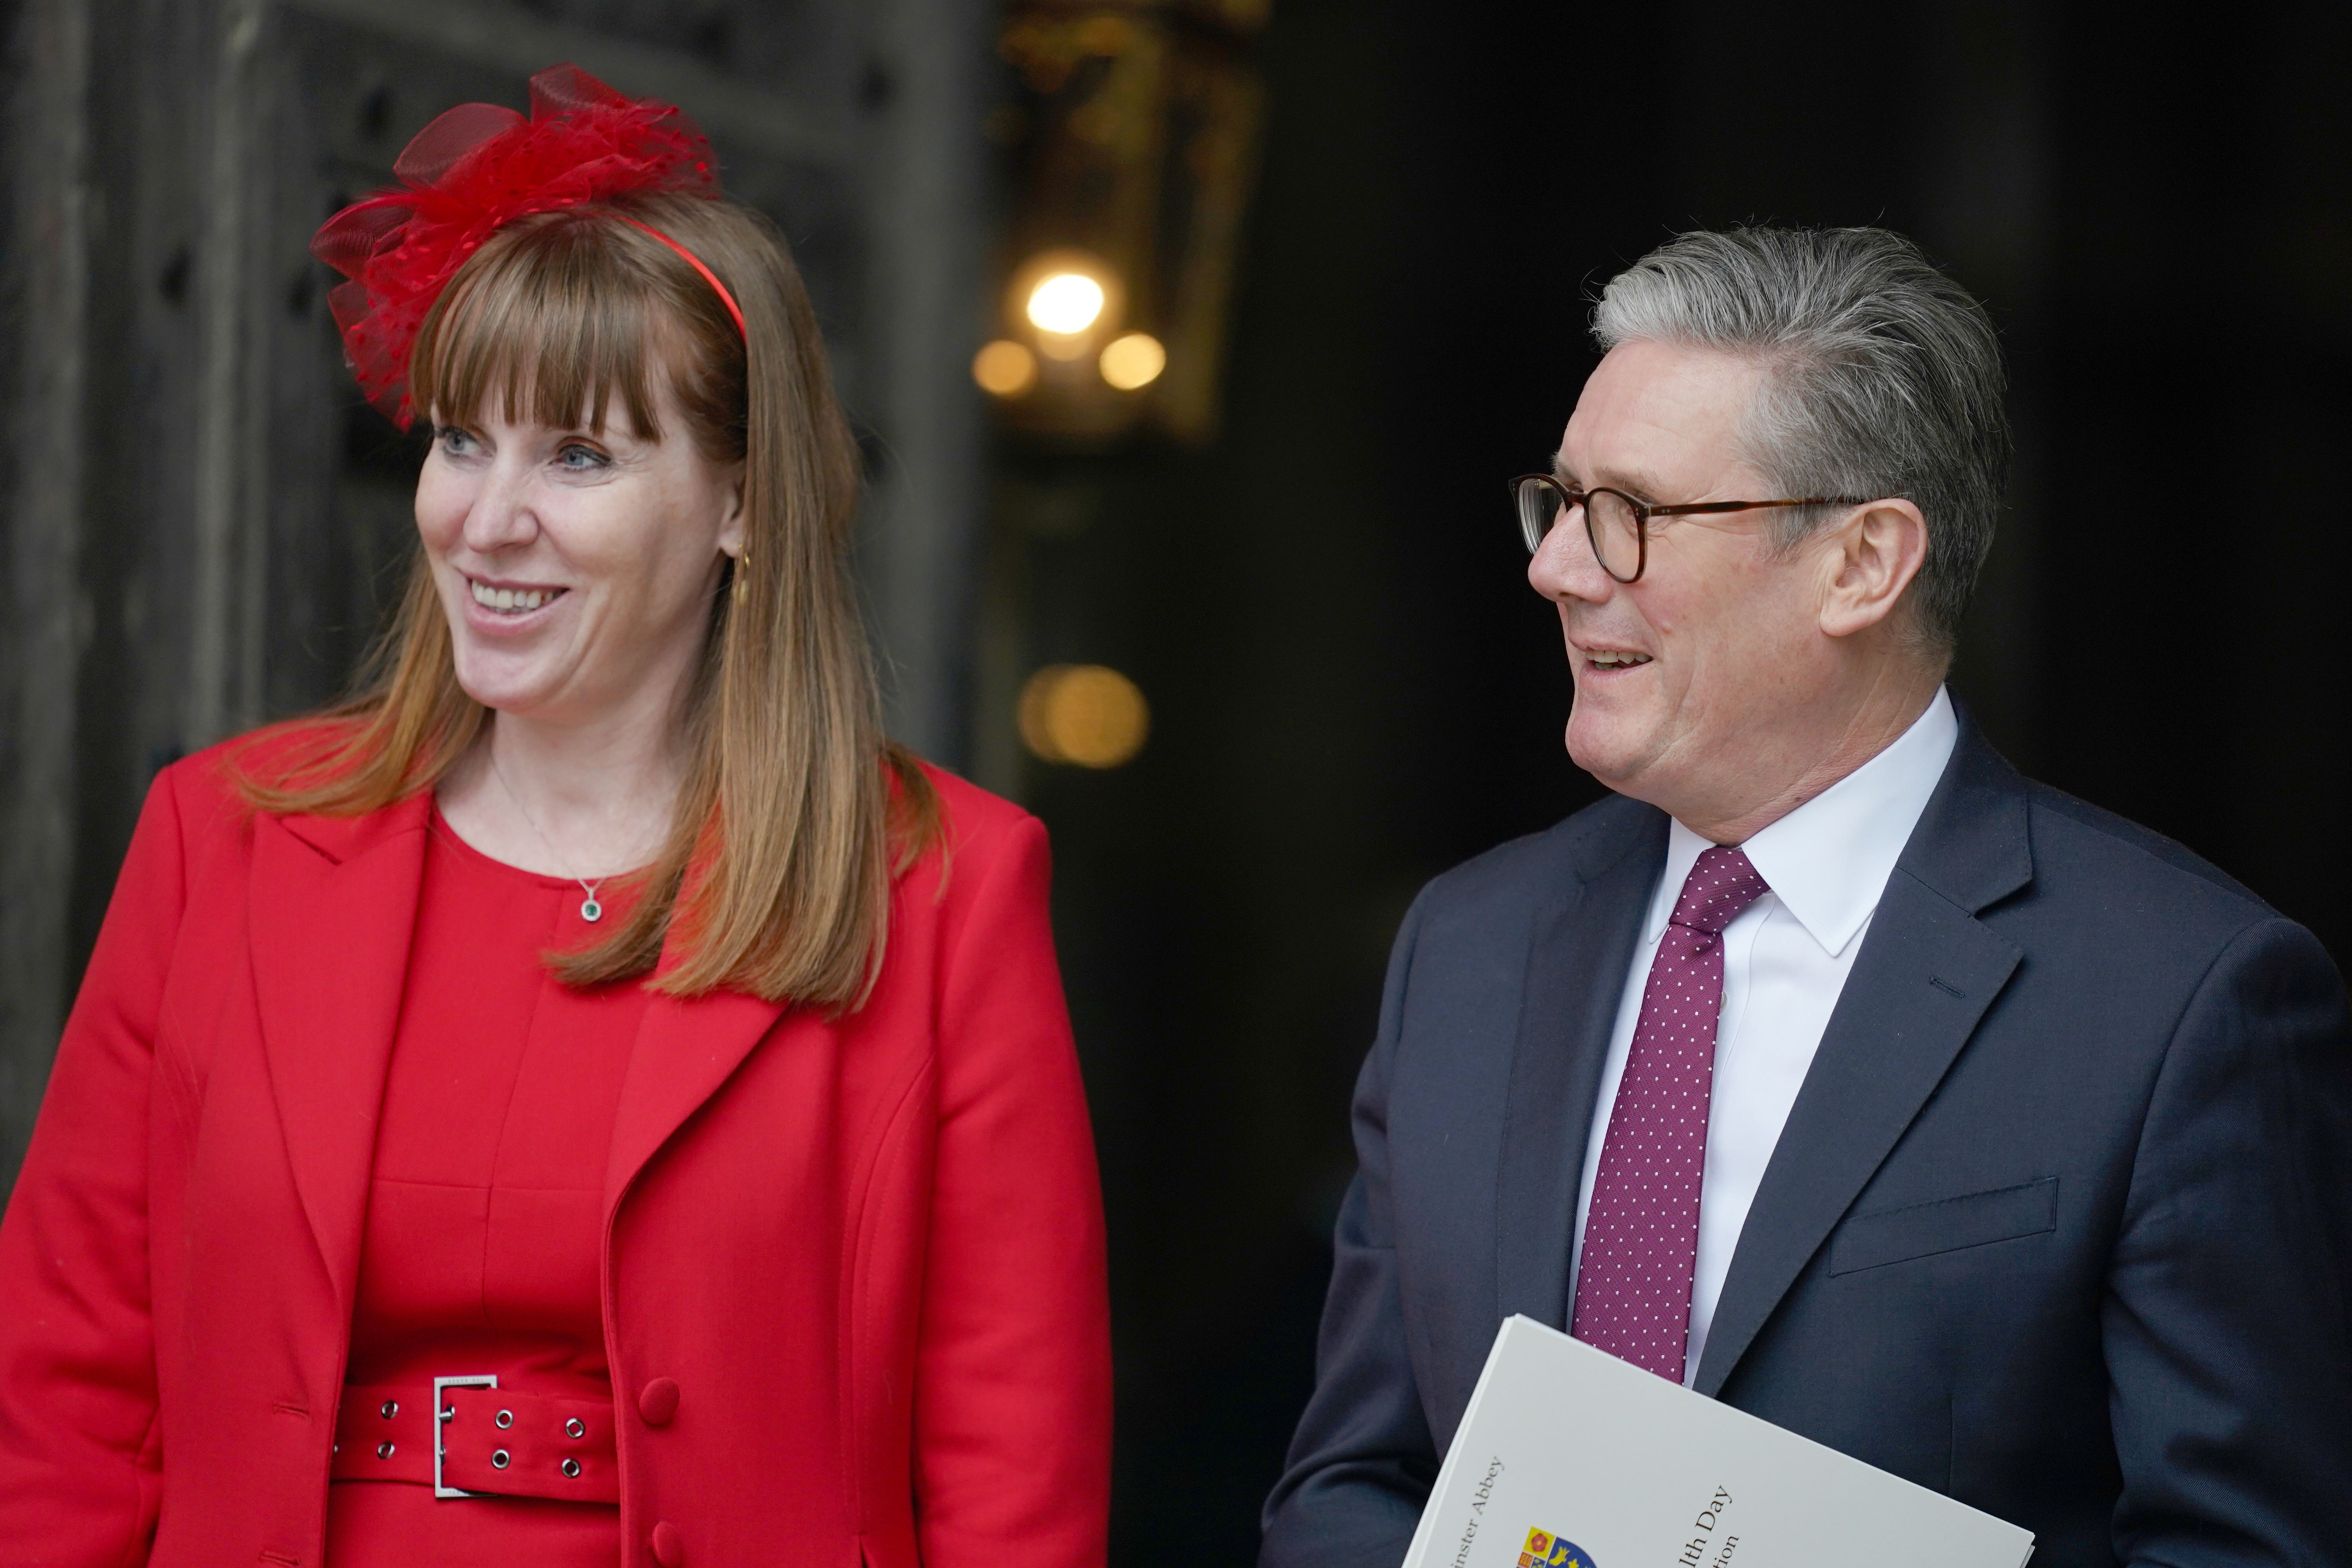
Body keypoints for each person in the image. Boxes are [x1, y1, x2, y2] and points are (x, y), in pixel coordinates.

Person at [0, 66, 1110, 1568]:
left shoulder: (946, 887)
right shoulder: (224, 837)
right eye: (464, 439)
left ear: (741, 504)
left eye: (579, 455)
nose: (487, 516)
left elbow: (1010, 1475)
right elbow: (66, 1396)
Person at [1261, 227, 2352, 1567]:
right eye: (1562, 499)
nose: (1558, 568)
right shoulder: (1469, 948)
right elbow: (1357, 1483)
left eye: (1635, 515)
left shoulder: (2178, 997)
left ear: (1862, 564)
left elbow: (2243, 1547)